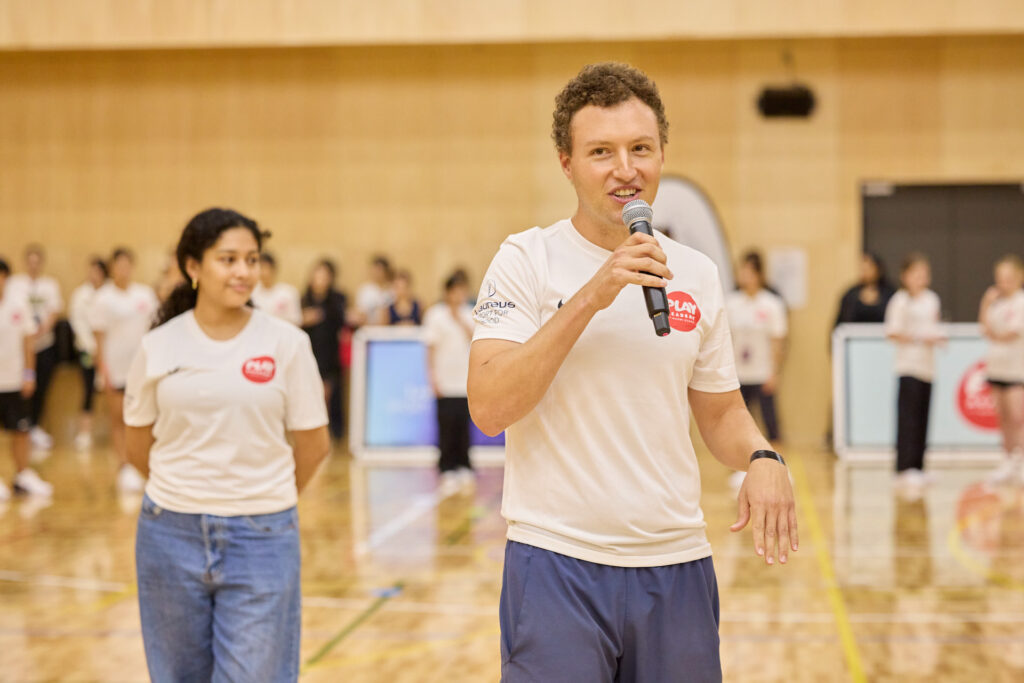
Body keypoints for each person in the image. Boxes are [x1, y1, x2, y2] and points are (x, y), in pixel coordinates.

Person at [467, 62, 797, 682]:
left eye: (640, 148)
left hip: (677, 565)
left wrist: (762, 458)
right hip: (557, 561)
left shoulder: (695, 272)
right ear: (566, 162)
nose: (626, 169)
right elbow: (489, 405)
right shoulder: (525, 259)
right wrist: (593, 295)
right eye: (601, 152)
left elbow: (722, 414)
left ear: (662, 153)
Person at [124, 208, 330, 682]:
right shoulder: (159, 345)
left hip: (262, 538)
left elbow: (314, 445)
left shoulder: (287, 344)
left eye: (252, 259)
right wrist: (186, 489)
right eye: (228, 259)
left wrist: (263, 498)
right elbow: (138, 445)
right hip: (168, 534)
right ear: (193, 267)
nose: (243, 271)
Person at [90, 248, 159, 493]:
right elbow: (98, 337)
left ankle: (142, 465)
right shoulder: (103, 298)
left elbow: (154, 330)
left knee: (143, 417)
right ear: (112, 267)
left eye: (127, 264)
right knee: (118, 419)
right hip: (115, 369)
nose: (124, 269)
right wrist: (103, 368)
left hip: (142, 368)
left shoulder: (145, 294)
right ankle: (124, 466)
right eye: (119, 265)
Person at [725, 250, 788, 494]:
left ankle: (779, 469)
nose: (744, 276)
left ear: (759, 274)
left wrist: (774, 372)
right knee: (737, 425)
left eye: (749, 271)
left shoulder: (771, 304)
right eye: (741, 271)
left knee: (772, 424)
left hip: (763, 373)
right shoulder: (731, 303)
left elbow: (778, 341)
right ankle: (739, 471)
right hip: (738, 374)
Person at [884, 253, 944, 498]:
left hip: (927, 368)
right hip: (908, 367)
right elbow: (893, 332)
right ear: (905, 276)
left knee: (922, 417)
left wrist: (937, 337)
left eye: (924, 273)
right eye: (916, 273)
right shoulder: (900, 301)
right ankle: (904, 468)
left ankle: (919, 466)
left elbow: (935, 326)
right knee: (907, 418)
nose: (921, 278)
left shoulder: (932, 299)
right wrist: (920, 338)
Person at [0, 257, 52, 500]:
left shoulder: (18, 305)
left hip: (15, 381)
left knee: (20, 430)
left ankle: (23, 475)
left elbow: (29, 342)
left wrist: (29, 374)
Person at [423, 270, 475, 496]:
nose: (459, 294)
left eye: (462, 290)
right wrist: (432, 376)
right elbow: (430, 348)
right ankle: (446, 467)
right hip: (445, 381)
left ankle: (464, 465)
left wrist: (460, 320)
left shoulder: (471, 313)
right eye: (455, 290)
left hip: (464, 381)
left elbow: (476, 340)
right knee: (446, 425)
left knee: (463, 426)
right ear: (447, 292)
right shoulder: (435, 315)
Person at [7, 244, 63, 451]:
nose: (33, 265)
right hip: (21, 348)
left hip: (44, 344)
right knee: (21, 389)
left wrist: (41, 329)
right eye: (29, 261)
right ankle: (22, 426)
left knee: (41, 387)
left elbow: (54, 311)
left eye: (36, 261)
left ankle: (35, 426)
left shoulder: (50, 285)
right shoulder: (15, 284)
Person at [978, 254, 1024, 485]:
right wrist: (986, 304)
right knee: (1003, 417)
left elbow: (1011, 333)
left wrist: (995, 335)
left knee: (1018, 417)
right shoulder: (996, 303)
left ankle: (1021, 460)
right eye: (1000, 278)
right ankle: (1007, 461)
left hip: (1018, 370)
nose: (1004, 282)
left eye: (1008, 278)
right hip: (997, 368)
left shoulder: (1021, 302)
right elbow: (984, 328)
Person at [301, 259, 348, 439]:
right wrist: (304, 319)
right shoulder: (304, 299)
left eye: (324, 276)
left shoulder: (336, 301)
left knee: (328, 396)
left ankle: (328, 434)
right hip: (310, 355)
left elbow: (342, 324)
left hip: (330, 356)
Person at [68, 256, 109, 451]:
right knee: (88, 389)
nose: (93, 275)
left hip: (110, 353)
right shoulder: (80, 295)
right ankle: (84, 433)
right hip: (87, 351)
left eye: (97, 271)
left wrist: (104, 351)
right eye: (90, 271)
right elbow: (78, 324)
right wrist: (93, 349)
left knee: (114, 391)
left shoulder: (110, 294)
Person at [834, 252, 896, 326]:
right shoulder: (851, 295)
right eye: (863, 269)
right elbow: (840, 324)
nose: (865, 272)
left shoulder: (890, 294)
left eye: (868, 268)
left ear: (878, 269)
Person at [252, 252, 302, 326]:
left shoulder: (288, 293)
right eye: (261, 268)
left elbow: (296, 320)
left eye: (266, 268)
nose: (264, 273)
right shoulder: (252, 294)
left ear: (274, 269)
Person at [351, 255, 393, 326]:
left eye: (380, 270)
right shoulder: (365, 290)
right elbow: (360, 312)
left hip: (386, 330)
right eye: (376, 269)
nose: (378, 273)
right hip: (368, 329)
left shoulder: (391, 290)